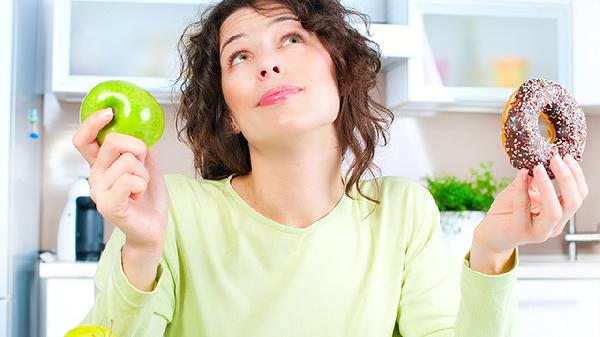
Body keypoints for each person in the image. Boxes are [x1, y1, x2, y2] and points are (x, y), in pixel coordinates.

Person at [72, 0, 589, 336]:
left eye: (291, 39)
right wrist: (140, 251)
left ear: (339, 70)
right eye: (239, 57)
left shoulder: (402, 212)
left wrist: (493, 250)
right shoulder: (170, 212)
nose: (268, 63)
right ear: (227, 113)